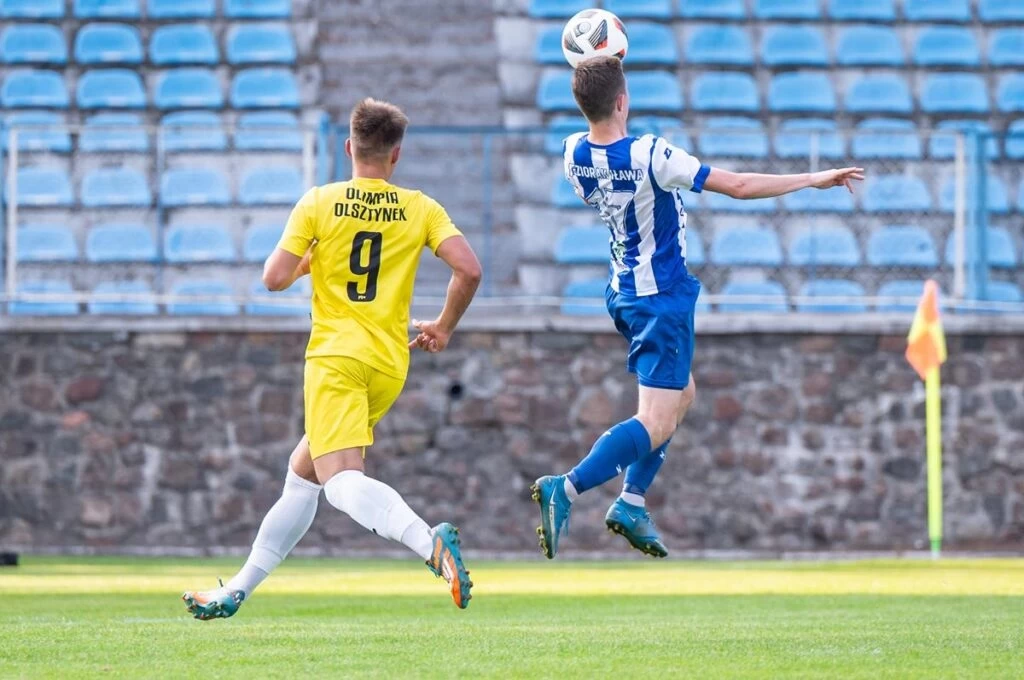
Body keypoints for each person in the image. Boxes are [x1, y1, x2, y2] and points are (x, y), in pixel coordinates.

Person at [532, 57, 864, 559]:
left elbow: (603, 145)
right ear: (622, 101)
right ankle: (568, 488)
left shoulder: (572, 152)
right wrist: (813, 178)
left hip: (623, 291)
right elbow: (739, 186)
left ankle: (632, 501)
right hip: (660, 300)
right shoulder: (650, 154)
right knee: (655, 422)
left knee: (682, 392)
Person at [183, 98, 483, 618]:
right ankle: (237, 589)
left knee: (340, 481)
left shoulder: (319, 202)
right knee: (302, 477)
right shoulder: (421, 207)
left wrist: (309, 262)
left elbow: (273, 278)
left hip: (336, 358)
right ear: (396, 155)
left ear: (349, 148)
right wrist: (443, 326)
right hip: (388, 365)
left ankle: (427, 542)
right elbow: (470, 269)